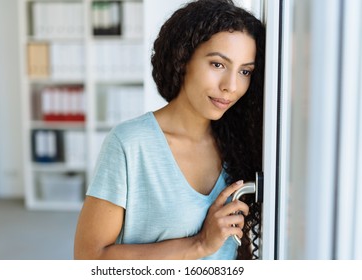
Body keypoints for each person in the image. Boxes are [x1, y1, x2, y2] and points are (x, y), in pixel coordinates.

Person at [74, 0, 265, 260]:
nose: (231, 86)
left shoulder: (240, 145)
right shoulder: (129, 144)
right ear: (183, 58)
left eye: (245, 71)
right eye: (218, 64)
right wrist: (199, 244)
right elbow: (89, 259)